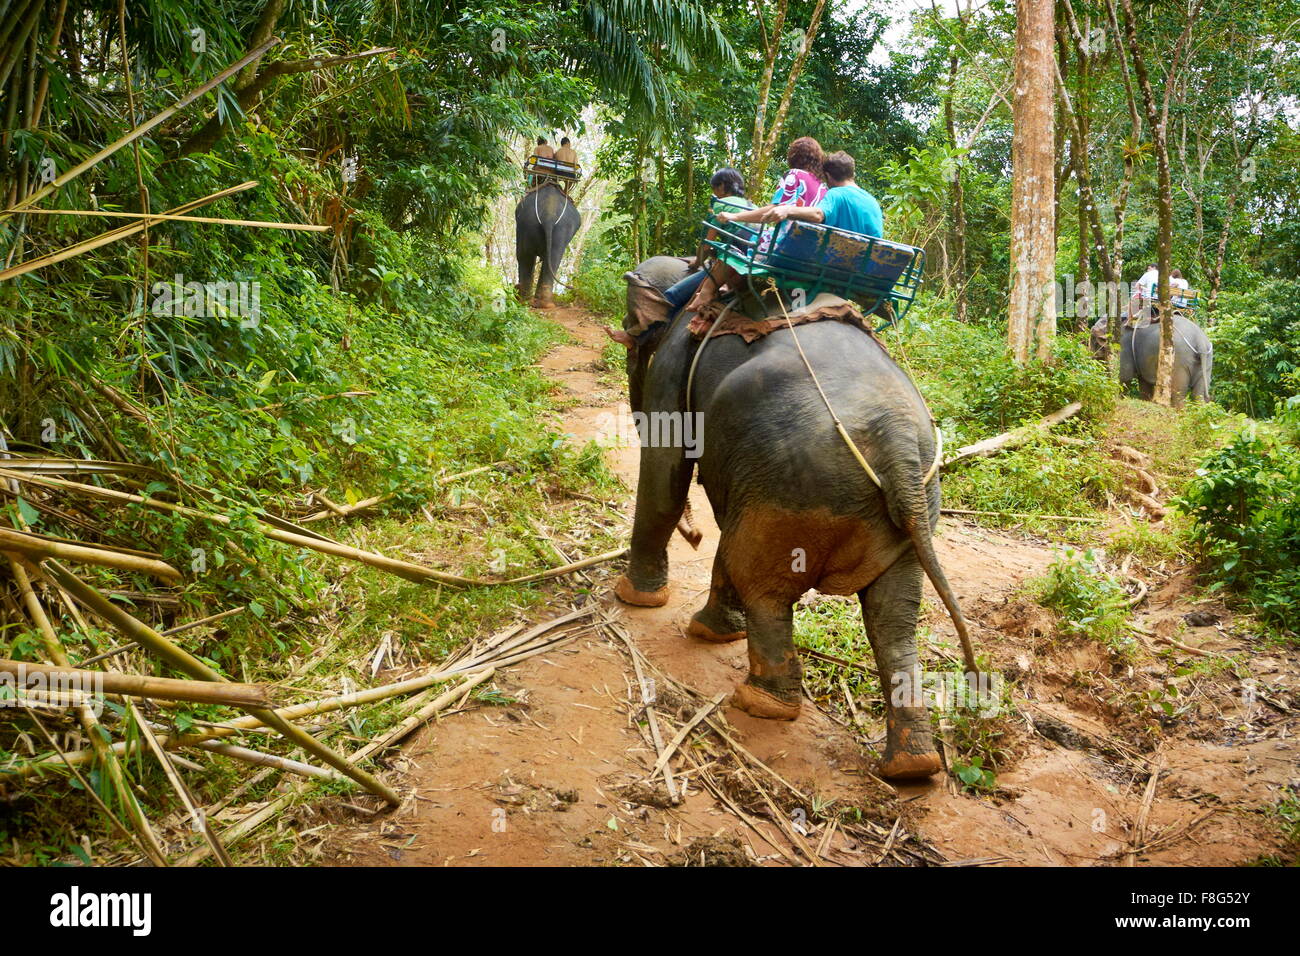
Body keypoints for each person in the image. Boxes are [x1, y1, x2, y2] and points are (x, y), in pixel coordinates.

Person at [717, 150, 883, 237]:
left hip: (839, 264)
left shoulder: (836, 194)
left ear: (829, 176)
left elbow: (818, 214)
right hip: (866, 267)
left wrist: (786, 210)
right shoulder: (872, 201)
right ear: (852, 173)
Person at [662, 168, 755, 311]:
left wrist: (697, 262)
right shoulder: (753, 206)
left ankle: (651, 332)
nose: (714, 193)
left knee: (672, 295)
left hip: (734, 262)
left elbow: (707, 244)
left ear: (722, 186)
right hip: (755, 263)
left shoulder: (722, 204)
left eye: (714, 188)